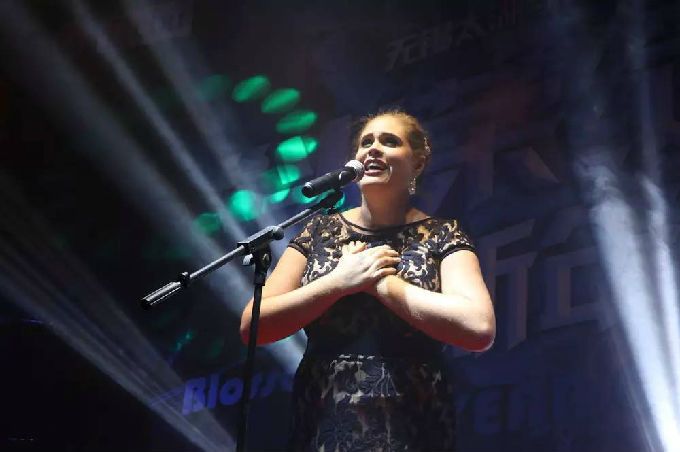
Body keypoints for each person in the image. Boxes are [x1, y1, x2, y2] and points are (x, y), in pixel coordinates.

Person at [240, 109, 495, 451]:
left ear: (417, 163)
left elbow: (478, 328)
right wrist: (339, 281)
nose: (373, 149)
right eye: (366, 142)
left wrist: (383, 285)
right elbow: (253, 327)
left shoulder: (442, 234)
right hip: (323, 419)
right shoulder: (319, 231)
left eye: (389, 141)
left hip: (411, 423)